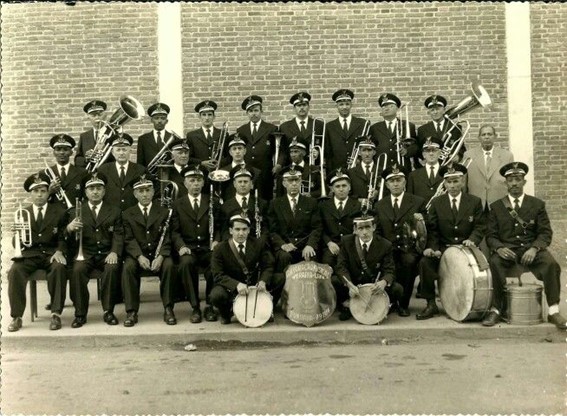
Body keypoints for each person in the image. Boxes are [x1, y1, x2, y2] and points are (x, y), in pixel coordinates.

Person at [483, 162, 566, 329]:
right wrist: (499, 248)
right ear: (505, 183)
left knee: (551, 264)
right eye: (510, 180)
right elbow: (490, 235)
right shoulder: (496, 207)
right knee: (495, 263)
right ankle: (497, 309)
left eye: (518, 179)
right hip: (507, 250)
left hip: (531, 248)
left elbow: (545, 232)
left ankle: (553, 310)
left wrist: (535, 248)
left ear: (524, 182)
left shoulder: (537, 204)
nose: (514, 183)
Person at [416, 162, 485, 320]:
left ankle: (469, 302)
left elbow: (480, 226)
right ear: (444, 183)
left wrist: (472, 239)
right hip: (443, 249)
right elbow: (433, 230)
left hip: (467, 249)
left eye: (456, 181)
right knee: (425, 263)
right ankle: (431, 304)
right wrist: (433, 248)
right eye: (449, 182)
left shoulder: (474, 202)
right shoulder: (436, 203)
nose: (452, 185)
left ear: (462, 181)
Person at [7, 172, 68, 332]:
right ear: (30, 194)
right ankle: (16, 316)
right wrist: (16, 234)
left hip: (51, 254)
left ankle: (56, 314)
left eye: (43, 191)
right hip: (29, 255)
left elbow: (63, 236)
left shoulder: (60, 211)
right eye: (36, 191)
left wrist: (60, 251)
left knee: (59, 268)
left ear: (48, 193)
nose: (39, 195)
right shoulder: (22, 213)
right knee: (15, 271)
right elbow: (17, 244)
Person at [65, 172, 123, 328]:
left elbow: (119, 234)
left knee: (112, 269)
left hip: (106, 253)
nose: (95, 191)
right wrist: (69, 229)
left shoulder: (115, 210)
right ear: (85, 192)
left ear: (104, 191)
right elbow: (67, 241)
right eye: (91, 188)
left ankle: (108, 311)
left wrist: (114, 252)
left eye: (99, 188)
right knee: (77, 271)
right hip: (86, 254)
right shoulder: (75, 211)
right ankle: (80, 314)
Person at [121, 175, 177, 326]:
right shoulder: (127, 214)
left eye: (147, 190)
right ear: (135, 194)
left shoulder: (164, 212)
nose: (144, 194)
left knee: (169, 265)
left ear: (153, 192)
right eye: (140, 191)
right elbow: (128, 239)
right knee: (128, 267)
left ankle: (168, 308)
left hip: (159, 254)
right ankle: (131, 311)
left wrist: (161, 256)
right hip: (138, 254)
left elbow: (168, 237)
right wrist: (139, 256)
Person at [210, 213, 284, 324]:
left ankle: (267, 310)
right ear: (231, 231)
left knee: (280, 278)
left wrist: (263, 280)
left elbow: (268, 265)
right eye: (237, 229)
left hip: (254, 285)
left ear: (249, 230)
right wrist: (236, 285)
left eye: (244, 229)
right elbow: (217, 275)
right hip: (232, 289)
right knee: (216, 295)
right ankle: (226, 313)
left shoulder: (258, 244)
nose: (241, 233)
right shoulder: (220, 248)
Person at [374, 164, 426, 316]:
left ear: (405, 182)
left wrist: (422, 220)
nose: (396, 184)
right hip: (387, 249)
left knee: (408, 262)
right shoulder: (379, 204)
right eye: (392, 181)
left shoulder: (417, 202)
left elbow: (424, 228)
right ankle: (389, 302)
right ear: (387, 184)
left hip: (408, 248)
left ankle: (403, 304)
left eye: (399, 180)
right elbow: (377, 230)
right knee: (385, 267)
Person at [333, 209, 403, 321]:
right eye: (360, 228)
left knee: (397, 289)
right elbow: (341, 266)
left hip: (374, 287)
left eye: (368, 227)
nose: (365, 232)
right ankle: (346, 306)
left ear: (374, 227)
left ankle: (385, 306)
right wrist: (349, 284)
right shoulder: (346, 242)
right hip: (354, 284)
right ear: (355, 230)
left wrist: (383, 282)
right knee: (335, 281)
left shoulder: (385, 245)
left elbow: (390, 270)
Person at [171, 166, 218, 323]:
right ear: (185, 183)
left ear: (204, 183)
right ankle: (195, 306)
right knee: (185, 264)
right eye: (192, 181)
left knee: (215, 265)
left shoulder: (212, 201)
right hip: (188, 248)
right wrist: (181, 246)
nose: (196, 184)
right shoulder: (178, 204)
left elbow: (221, 226)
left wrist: (217, 240)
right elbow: (174, 231)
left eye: (199, 180)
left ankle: (210, 305)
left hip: (207, 247)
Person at [268, 166, 322, 273]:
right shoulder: (275, 204)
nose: (294, 184)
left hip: (305, 245)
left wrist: (310, 245)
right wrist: (282, 244)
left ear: (301, 181)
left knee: (310, 256)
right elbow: (272, 230)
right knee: (284, 257)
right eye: (290, 180)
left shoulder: (311, 202)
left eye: (296, 180)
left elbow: (317, 227)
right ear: (284, 183)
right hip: (285, 245)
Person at [236, 95, 280, 201]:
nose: (254, 113)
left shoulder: (271, 128)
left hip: (266, 171)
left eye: (256, 110)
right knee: (248, 198)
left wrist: (279, 164)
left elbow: (280, 149)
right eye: (250, 111)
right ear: (247, 113)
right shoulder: (241, 130)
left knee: (265, 199)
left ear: (261, 111)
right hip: (247, 171)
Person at [463, 125, 514, 211]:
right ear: (479, 137)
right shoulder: (468, 155)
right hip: (476, 204)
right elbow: (464, 183)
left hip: (499, 203)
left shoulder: (506, 155)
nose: (487, 137)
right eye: (483, 135)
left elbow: (511, 181)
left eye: (490, 134)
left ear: (495, 136)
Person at [318, 169, 361, 270]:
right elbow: (320, 228)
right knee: (327, 263)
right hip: (331, 245)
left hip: (351, 245)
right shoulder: (323, 206)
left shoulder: (357, 205)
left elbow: (358, 228)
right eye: (337, 186)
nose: (341, 189)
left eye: (344, 186)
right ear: (332, 189)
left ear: (349, 187)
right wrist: (329, 243)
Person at [217, 166, 269, 244]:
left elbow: (266, 228)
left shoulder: (262, 204)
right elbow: (224, 231)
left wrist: (260, 243)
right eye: (240, 182)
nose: (242, 184)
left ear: (251, 184)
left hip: (257, 245)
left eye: (245, 181)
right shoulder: (225, 206)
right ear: (234, 184)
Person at [97, 133, 147, 211]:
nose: (121, 153)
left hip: (133, 215)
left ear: (130, 151)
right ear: (113, 153)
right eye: (118, 150)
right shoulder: (103, 170)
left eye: (124, 149)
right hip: (110, 215)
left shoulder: (140, 170)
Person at [324, 89, 370, 173]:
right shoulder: (329, 126)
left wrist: (359, 160)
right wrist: (330, 171)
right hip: (337, 170)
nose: (344, 107)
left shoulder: (362, 123)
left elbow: (368, 147)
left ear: (351, 105)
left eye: (347, 104)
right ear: (336, 106)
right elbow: (328, 152)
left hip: (358, 168)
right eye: (341, 104)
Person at [368, 93, 417, 170]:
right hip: (381, 168)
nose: (386, 108)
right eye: (384, 106)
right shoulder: (374, 128)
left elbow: (416, 146)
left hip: (402, 167)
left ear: (397, 108)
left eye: (390, 106)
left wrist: (407, 151)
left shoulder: (408, 125)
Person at [46, 133, 89, 210]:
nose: (62, 152)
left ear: (71, 152)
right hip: (54, 216)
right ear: (54, 152)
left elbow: (87, 197)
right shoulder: (46, 173)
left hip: (75, 214)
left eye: (65, 149)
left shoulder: (82, 173)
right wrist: (49, 191)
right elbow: (40, 200)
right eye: (58, 149)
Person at [279, 91, 325, 158]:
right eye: (299, 105)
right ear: (294, 108)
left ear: (309, 107)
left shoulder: (319, 125)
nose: (302, 108)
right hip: (293, 166)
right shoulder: (284, 127)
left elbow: (326, 148)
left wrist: (318, 152)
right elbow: (283, 151)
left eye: (304, 105)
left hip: (314, 166)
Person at [217, 134, 260, 201]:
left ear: (245, 151)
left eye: (240, 148)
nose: (237, 152)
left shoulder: (256, 172)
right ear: (230, 152)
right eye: (234, 149)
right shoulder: (222, 172)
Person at [75, 100, 113, 168]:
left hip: (109, 175)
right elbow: (77, 160)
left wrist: (105, 152)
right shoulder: (84, 136)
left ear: (105, 115)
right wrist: (86, 159)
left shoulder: (112, 133)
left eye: (100, 114)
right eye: (93, 115)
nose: (97, 117)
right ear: (88, 116)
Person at [407, 138, 444, 205]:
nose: (431, 153)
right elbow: (409, 200)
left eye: (434, 150)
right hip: (420, 214)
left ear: (440, 153)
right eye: (428, 151)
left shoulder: (446, 173)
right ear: (423, 154)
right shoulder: (413, 175)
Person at [137, 102, 174, 168]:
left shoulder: (174, 139)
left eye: (162, 118)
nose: (159, 121)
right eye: (156, 118)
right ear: (152, 120)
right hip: (148, 176)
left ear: (166, 121)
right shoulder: (143, 139)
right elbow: (140, 163)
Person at [347, 137, 381, 202]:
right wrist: (358, 200)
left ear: (374, 152)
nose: (367, 154)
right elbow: (347, 195)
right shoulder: (351, 172)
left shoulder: (381, 171)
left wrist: (377, 192)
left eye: (369, 150)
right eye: (364, 150)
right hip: (357, 209)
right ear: (359, 152)